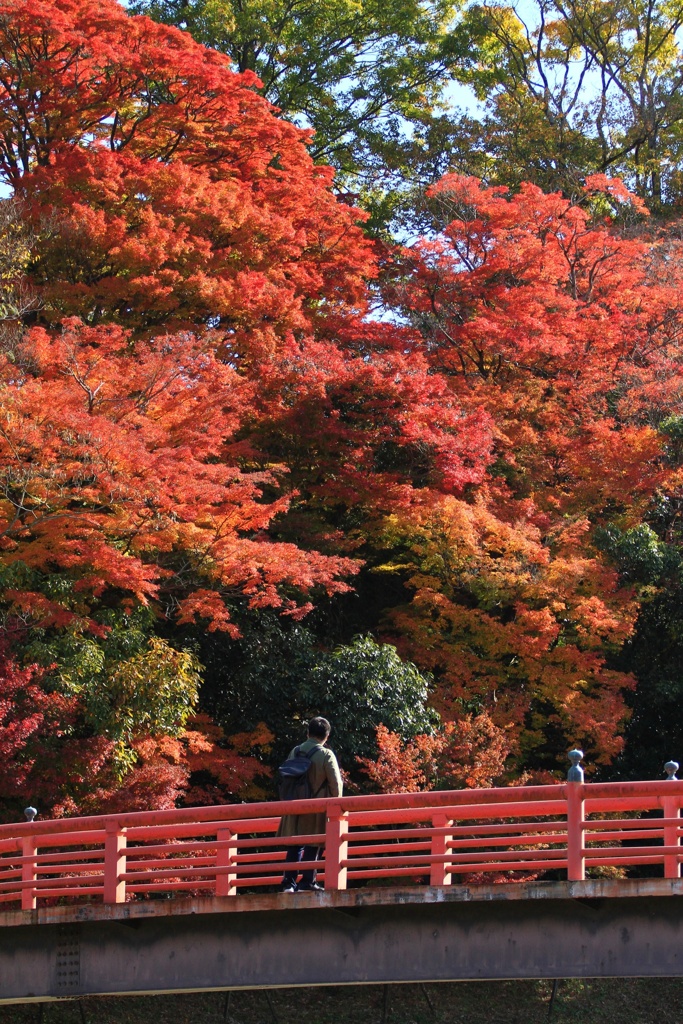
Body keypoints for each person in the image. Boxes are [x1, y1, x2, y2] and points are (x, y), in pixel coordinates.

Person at [277, 716, 343, 892]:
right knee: (313, 843)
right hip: (316, 807)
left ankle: (288, 883)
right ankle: (307, 881)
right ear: (326, 736)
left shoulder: (295, 751)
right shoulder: (326, 754)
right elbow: (336, 785)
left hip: (294, 805)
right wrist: (336, 806)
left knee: (294, 844)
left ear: (308, 733)